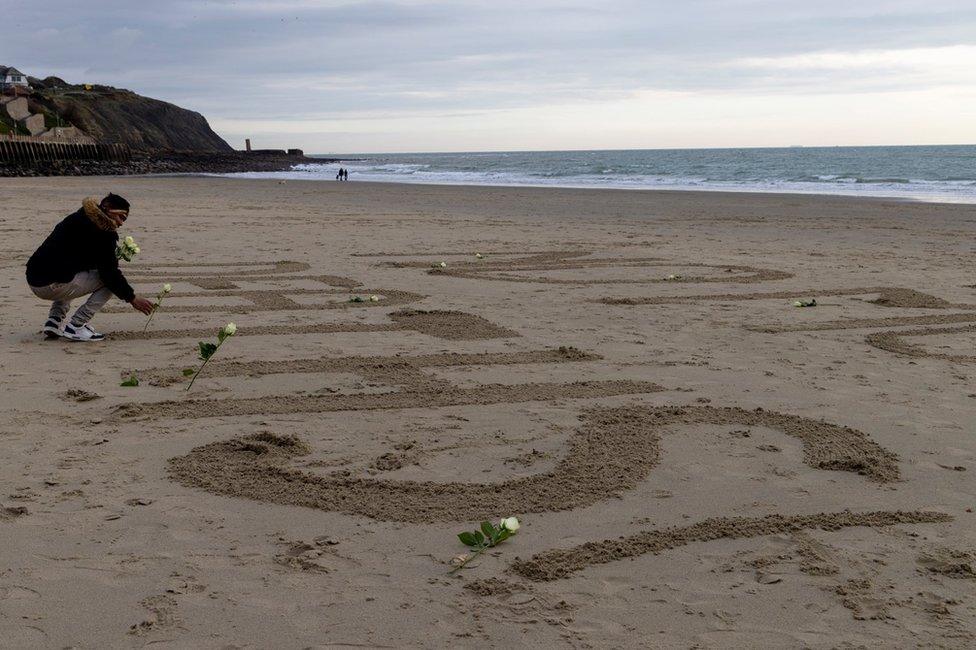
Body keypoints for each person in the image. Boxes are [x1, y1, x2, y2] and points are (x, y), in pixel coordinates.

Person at [26, 194, 154, 342]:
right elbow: (110, 275)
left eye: (124, 219)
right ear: (107, 209)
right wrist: (132, 298)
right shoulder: (105, 234)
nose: (121, 223)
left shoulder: (76, 217)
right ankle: (77, 325)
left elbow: (76, 255)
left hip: (33, 279)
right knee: (110, 283)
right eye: (121, 216)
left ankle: (54, 321)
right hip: (51, 285)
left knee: (73, 272)